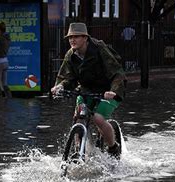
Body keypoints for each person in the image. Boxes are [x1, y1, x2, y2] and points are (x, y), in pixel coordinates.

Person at [51, 22, 125, 158]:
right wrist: (59, 86)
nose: (72, 40)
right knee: (78, 117)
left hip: (107, 91)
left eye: (76, 36)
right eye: (70, 37)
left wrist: (113, 90)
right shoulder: (70, 54)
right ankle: (79, 151)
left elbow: (117, 72)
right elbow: (66, 76)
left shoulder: (99, 48)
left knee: (98, 118)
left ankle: (113, 147)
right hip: (85, 90)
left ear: (85, 38)